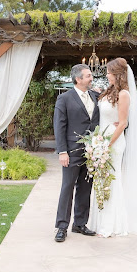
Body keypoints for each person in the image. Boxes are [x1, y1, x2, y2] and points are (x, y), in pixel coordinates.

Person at [88, 57, 137, 237]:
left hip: (113, 142)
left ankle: (110, 225)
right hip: (101, 140)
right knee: (101, 181)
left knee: (111, 181)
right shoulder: (110, 91)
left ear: (118, 74)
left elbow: (122, 123)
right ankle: (99, 222)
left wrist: (107, 144)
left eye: (109, 72)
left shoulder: (124, 94)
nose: (107, 75)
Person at [53, 64, 100, 242]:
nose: (91, 78)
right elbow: (59, 126)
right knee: (67, 187)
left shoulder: (95, 96)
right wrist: (62, 151)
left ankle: (80, 223)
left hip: (92, 151)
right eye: (88, 76)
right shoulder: (64, 99)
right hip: (71, 152)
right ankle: (62, 226)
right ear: (78, 79)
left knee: (85, 187)